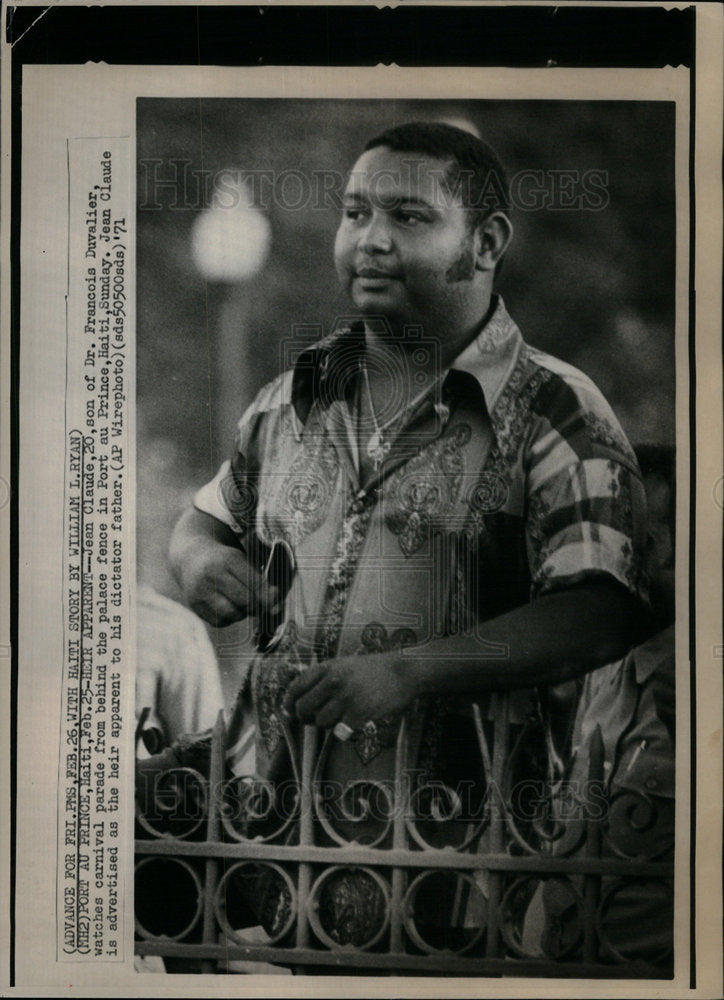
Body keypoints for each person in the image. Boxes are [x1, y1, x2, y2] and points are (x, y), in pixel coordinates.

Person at [166, 121, 649, 953]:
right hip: (271, 851)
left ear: (487, 241)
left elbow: (600, 611)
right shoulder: (298, 395)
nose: (371, 241)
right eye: (355, 214)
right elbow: (203, 519)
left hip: (463, 878)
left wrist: (410, 672)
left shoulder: (557, 411)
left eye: (409, 218)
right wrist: (202, 560)